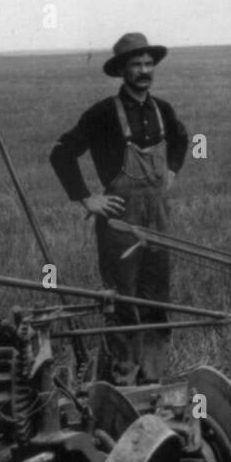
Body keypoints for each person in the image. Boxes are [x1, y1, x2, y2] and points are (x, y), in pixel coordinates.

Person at [50, 32, 189, 384]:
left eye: (147, 64)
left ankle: (153, 380)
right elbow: (61, 153)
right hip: (119, 220)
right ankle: (123, 383)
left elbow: (182, 138)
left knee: (159, 300)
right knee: (122, 302)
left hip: (158, 217)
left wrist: (171, 170)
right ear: (122, 71)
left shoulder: (163, 110)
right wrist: (87, 198)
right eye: (135, 65)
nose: (144, 70)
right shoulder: (103, 114)